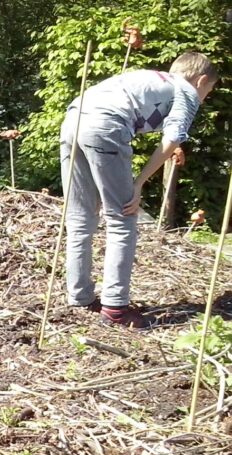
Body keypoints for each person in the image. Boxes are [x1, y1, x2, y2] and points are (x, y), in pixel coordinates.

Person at [61, 51, 217, 328]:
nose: (205, 96)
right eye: (209, 90)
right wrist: (138, 182)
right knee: (123, 218)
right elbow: (172, 139)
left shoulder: (149, 77)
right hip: (106, 125)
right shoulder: (187, 92)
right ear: (202, 80)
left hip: (72, 119)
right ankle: (115, 308)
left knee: (80, 218)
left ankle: (80, 296)